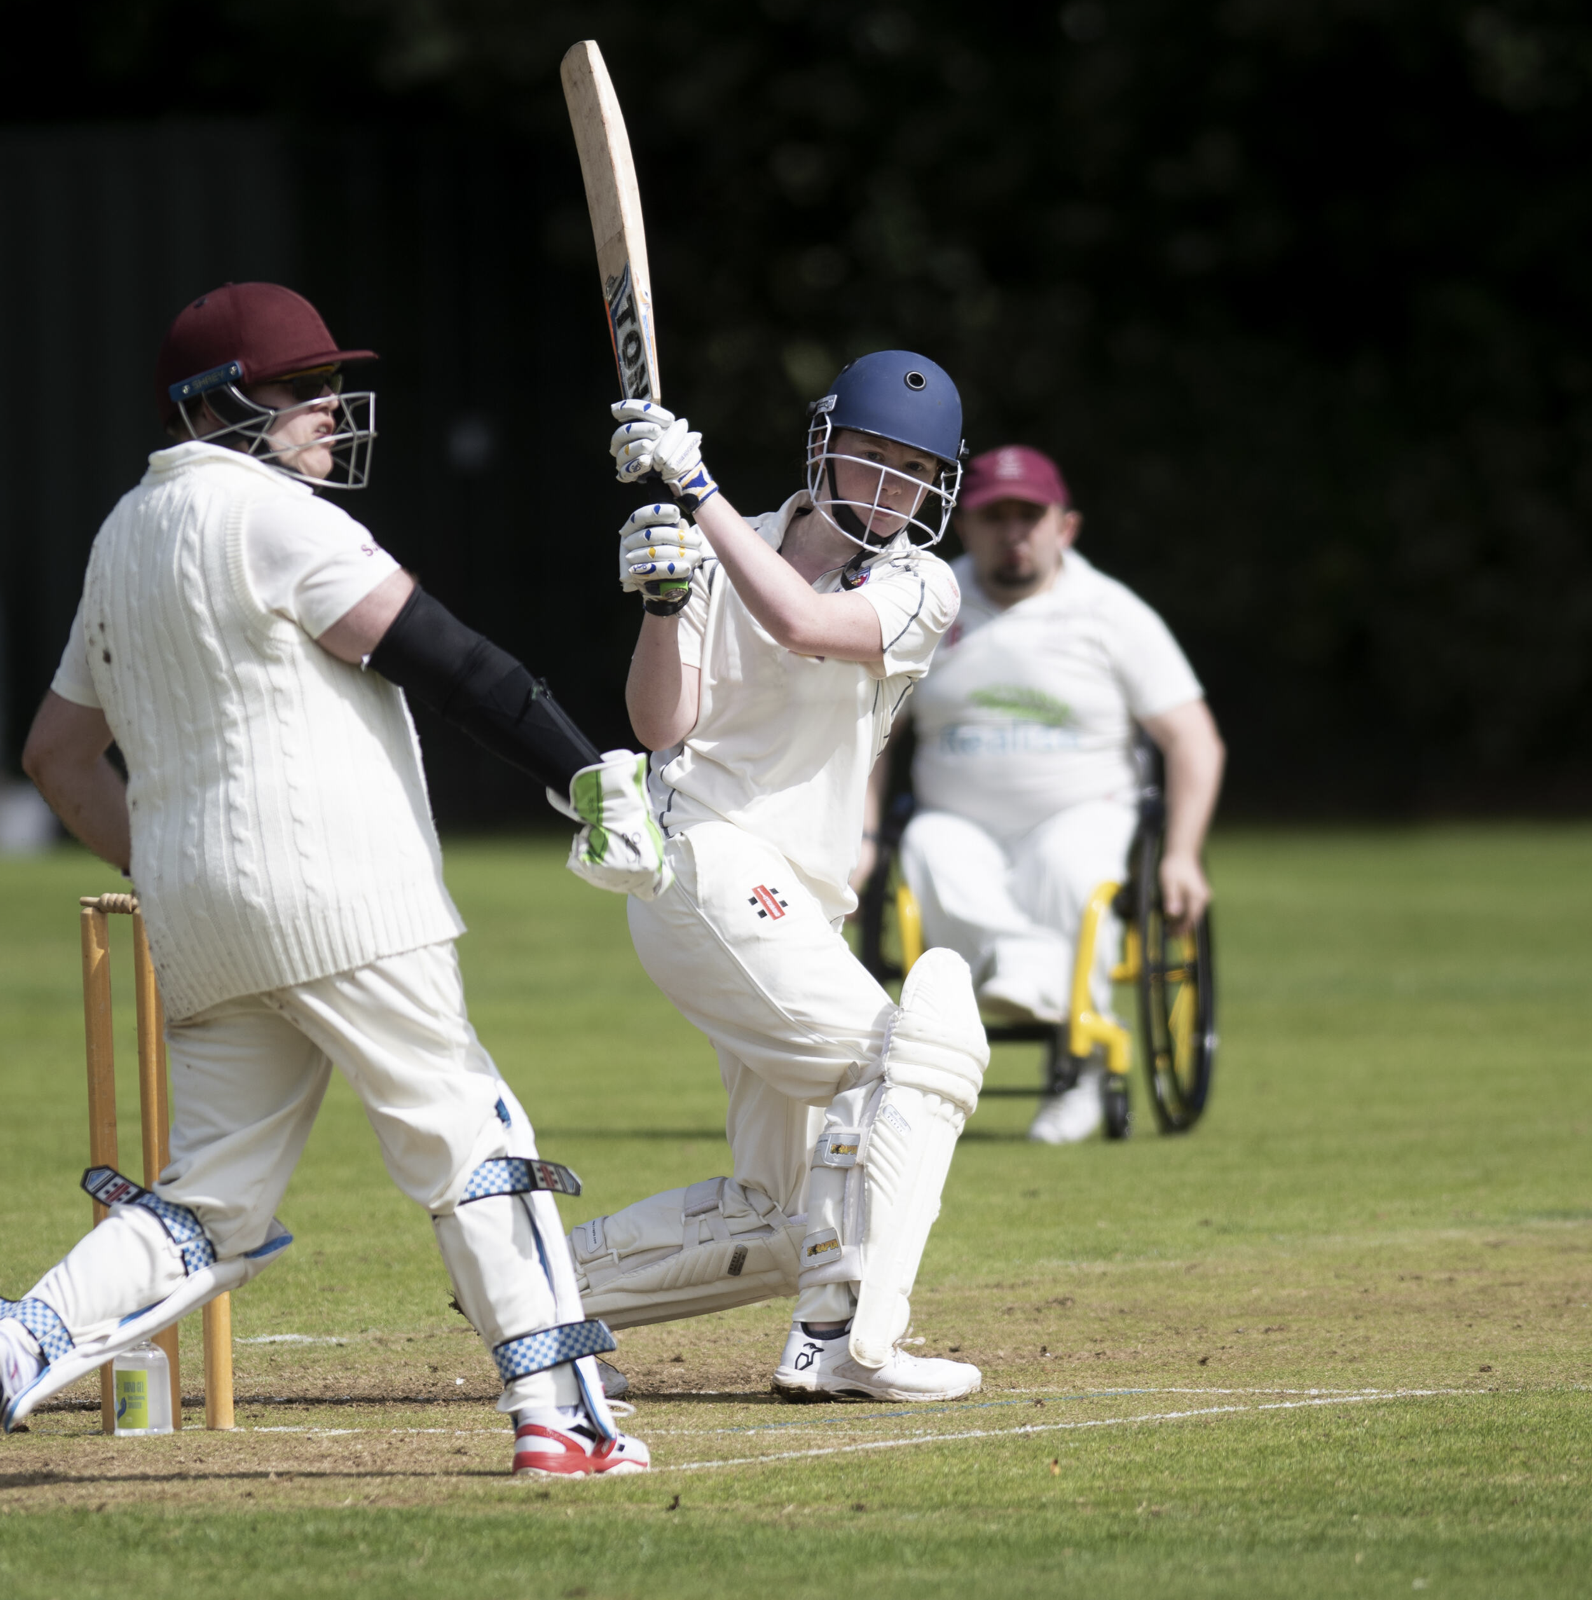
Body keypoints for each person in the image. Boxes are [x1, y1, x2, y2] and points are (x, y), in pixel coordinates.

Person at [3, 281, 665, 1477]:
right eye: (301, 391)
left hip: (200, 919)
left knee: (207, 1202)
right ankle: (560, 1418)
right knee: (470, 1137)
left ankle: (15, 1343)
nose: (327, 411)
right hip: (343, 892)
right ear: (218, 406)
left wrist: (172, 863)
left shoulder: (120, 534)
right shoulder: (273, 517)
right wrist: (587, 775)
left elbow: (55, 755)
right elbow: (450, 663)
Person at [565, 352, 990, 1403]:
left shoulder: (918, 585)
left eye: (914, 473)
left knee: (787, 1204)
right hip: (707, 866)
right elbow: (662, 725)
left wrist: (695, 497)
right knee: (909, 1064)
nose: (891, 490)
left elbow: (806, 625)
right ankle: (843, 1343)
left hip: (796, 903)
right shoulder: (728, 543)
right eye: (874, 458)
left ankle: (538, 1292)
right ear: (826, 444)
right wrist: (664, 602)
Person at [860, 444, 1224, 1145]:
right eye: (996, 516)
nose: (1014, 532)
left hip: (1083, 813)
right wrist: (866, 835)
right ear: (965, 525)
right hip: (957, 819)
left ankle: (1079, 1071)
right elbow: (869, 732)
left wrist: (1181, 855)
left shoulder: (1111, 612)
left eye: (1031, 516)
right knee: (931, 855)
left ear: (1067, 527)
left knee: (1071, 867)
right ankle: (1023, 980)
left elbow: (1194, 740)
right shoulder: (929, 602)